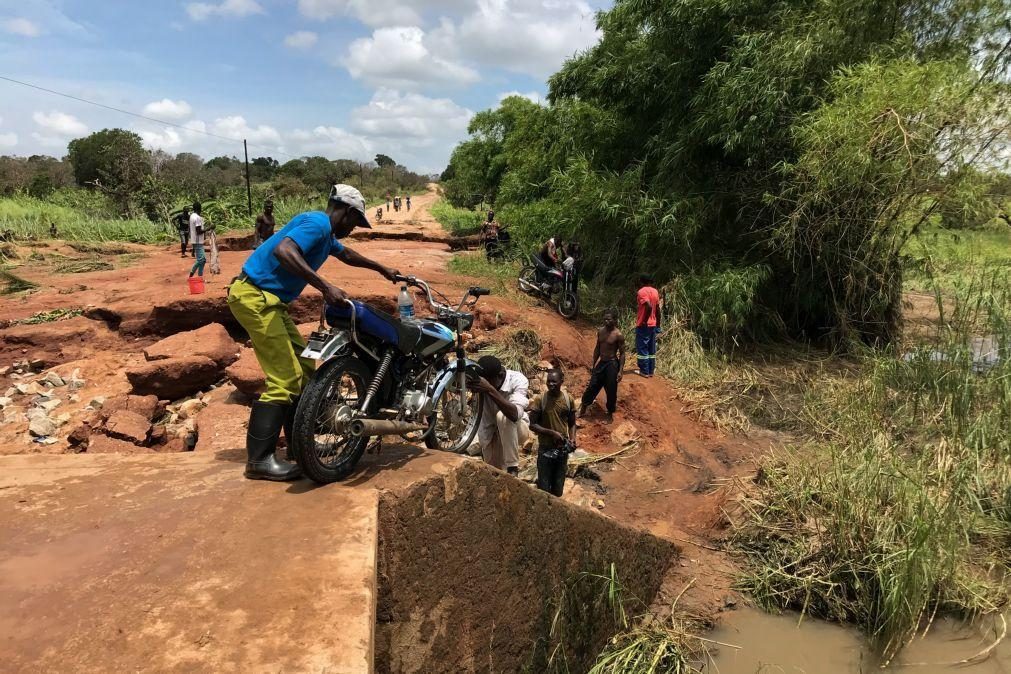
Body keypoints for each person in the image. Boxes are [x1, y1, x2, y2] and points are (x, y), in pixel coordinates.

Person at [227, 184, 400, 481]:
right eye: (356, 222)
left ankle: (299, 447)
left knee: (306, 368)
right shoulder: (317, 223)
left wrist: (382, 269)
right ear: (346, 212)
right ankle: (259, 461)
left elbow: (347, 255)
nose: (354, 228)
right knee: (285, 378)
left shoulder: (326, 234)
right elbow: (284, 250)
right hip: (255, 297)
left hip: (271, 303)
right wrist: (325, 286)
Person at [472, 355, 530, 476]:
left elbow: (514, 415)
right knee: (494, 474)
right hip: (493, 433)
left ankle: (513, 467)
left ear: (501, 375)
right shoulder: (481, 380)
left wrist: (489, 389)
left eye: (488, 381)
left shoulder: (517, 380)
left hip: (517, 429)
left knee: (503, 416)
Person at [529, 369, 577, 497]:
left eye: (554, 382)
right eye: (549, 381)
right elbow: (532, 425)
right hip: (545, 448)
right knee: (544, 488)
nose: (551, 384)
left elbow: (572, 423)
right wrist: (551, 433)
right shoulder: (541, 400)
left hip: (561, 449)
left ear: (561, 381)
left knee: (558, 487)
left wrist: (572, 439)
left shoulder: (568, 399)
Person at [579, 310, 626, 423]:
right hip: (602, 362)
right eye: (605, 319)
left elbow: (623, 353)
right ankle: (583, 407)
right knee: (592, 385)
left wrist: (620, 371)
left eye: (609, 319)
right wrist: (594, 364)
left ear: (614, 320)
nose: (606, 321)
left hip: (612, 364)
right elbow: (597, 348)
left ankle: (609, 413)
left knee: (611, 389)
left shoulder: (618, 335)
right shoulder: (600, 331)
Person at [636, 274, 661, 377]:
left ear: (642, 281)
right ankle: (651, 371)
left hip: (644, 324)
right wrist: (658, 324)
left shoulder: (641, 291)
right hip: (653, 324)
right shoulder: (655, 291)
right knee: (651, 348)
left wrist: (643, 321)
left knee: (642, 347)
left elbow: (649, 306)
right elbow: (658, 309)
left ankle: (644, 371)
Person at [188, 202, 206, 278]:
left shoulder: (192, 216)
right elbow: (199, 231)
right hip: (198, 240)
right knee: (201, 259)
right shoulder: (197, 218)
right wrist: (209, 228)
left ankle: (200, 277)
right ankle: (191, 274)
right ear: (200, 208)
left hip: (195, 240)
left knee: (202, 260)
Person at [205, 208, 221, 275]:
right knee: (213, 257)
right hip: (213, 246)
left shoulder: (213, 232)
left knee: (216, 257)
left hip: (214, 246)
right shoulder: (210, 232)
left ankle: (216, 269)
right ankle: (213, 269)